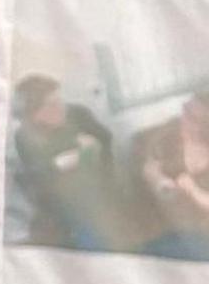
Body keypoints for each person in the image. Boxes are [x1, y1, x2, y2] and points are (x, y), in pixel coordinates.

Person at [12, 76, 162, 252]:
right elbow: (38, 175)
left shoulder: (78, 113)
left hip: (100, 187)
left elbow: (104, 140)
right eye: (51, 105)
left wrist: (84, 153)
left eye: (59, 100)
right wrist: (66, 161)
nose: (61, 108)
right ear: (34, 114)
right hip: (64, 200)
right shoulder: (24, 136)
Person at [137, 92, 209, 259]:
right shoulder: (169, 136)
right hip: (175, 227)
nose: (183, 118)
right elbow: (149, 165)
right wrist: (158, 181)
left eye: (192, 116)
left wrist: (192, 189)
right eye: (185, 109)